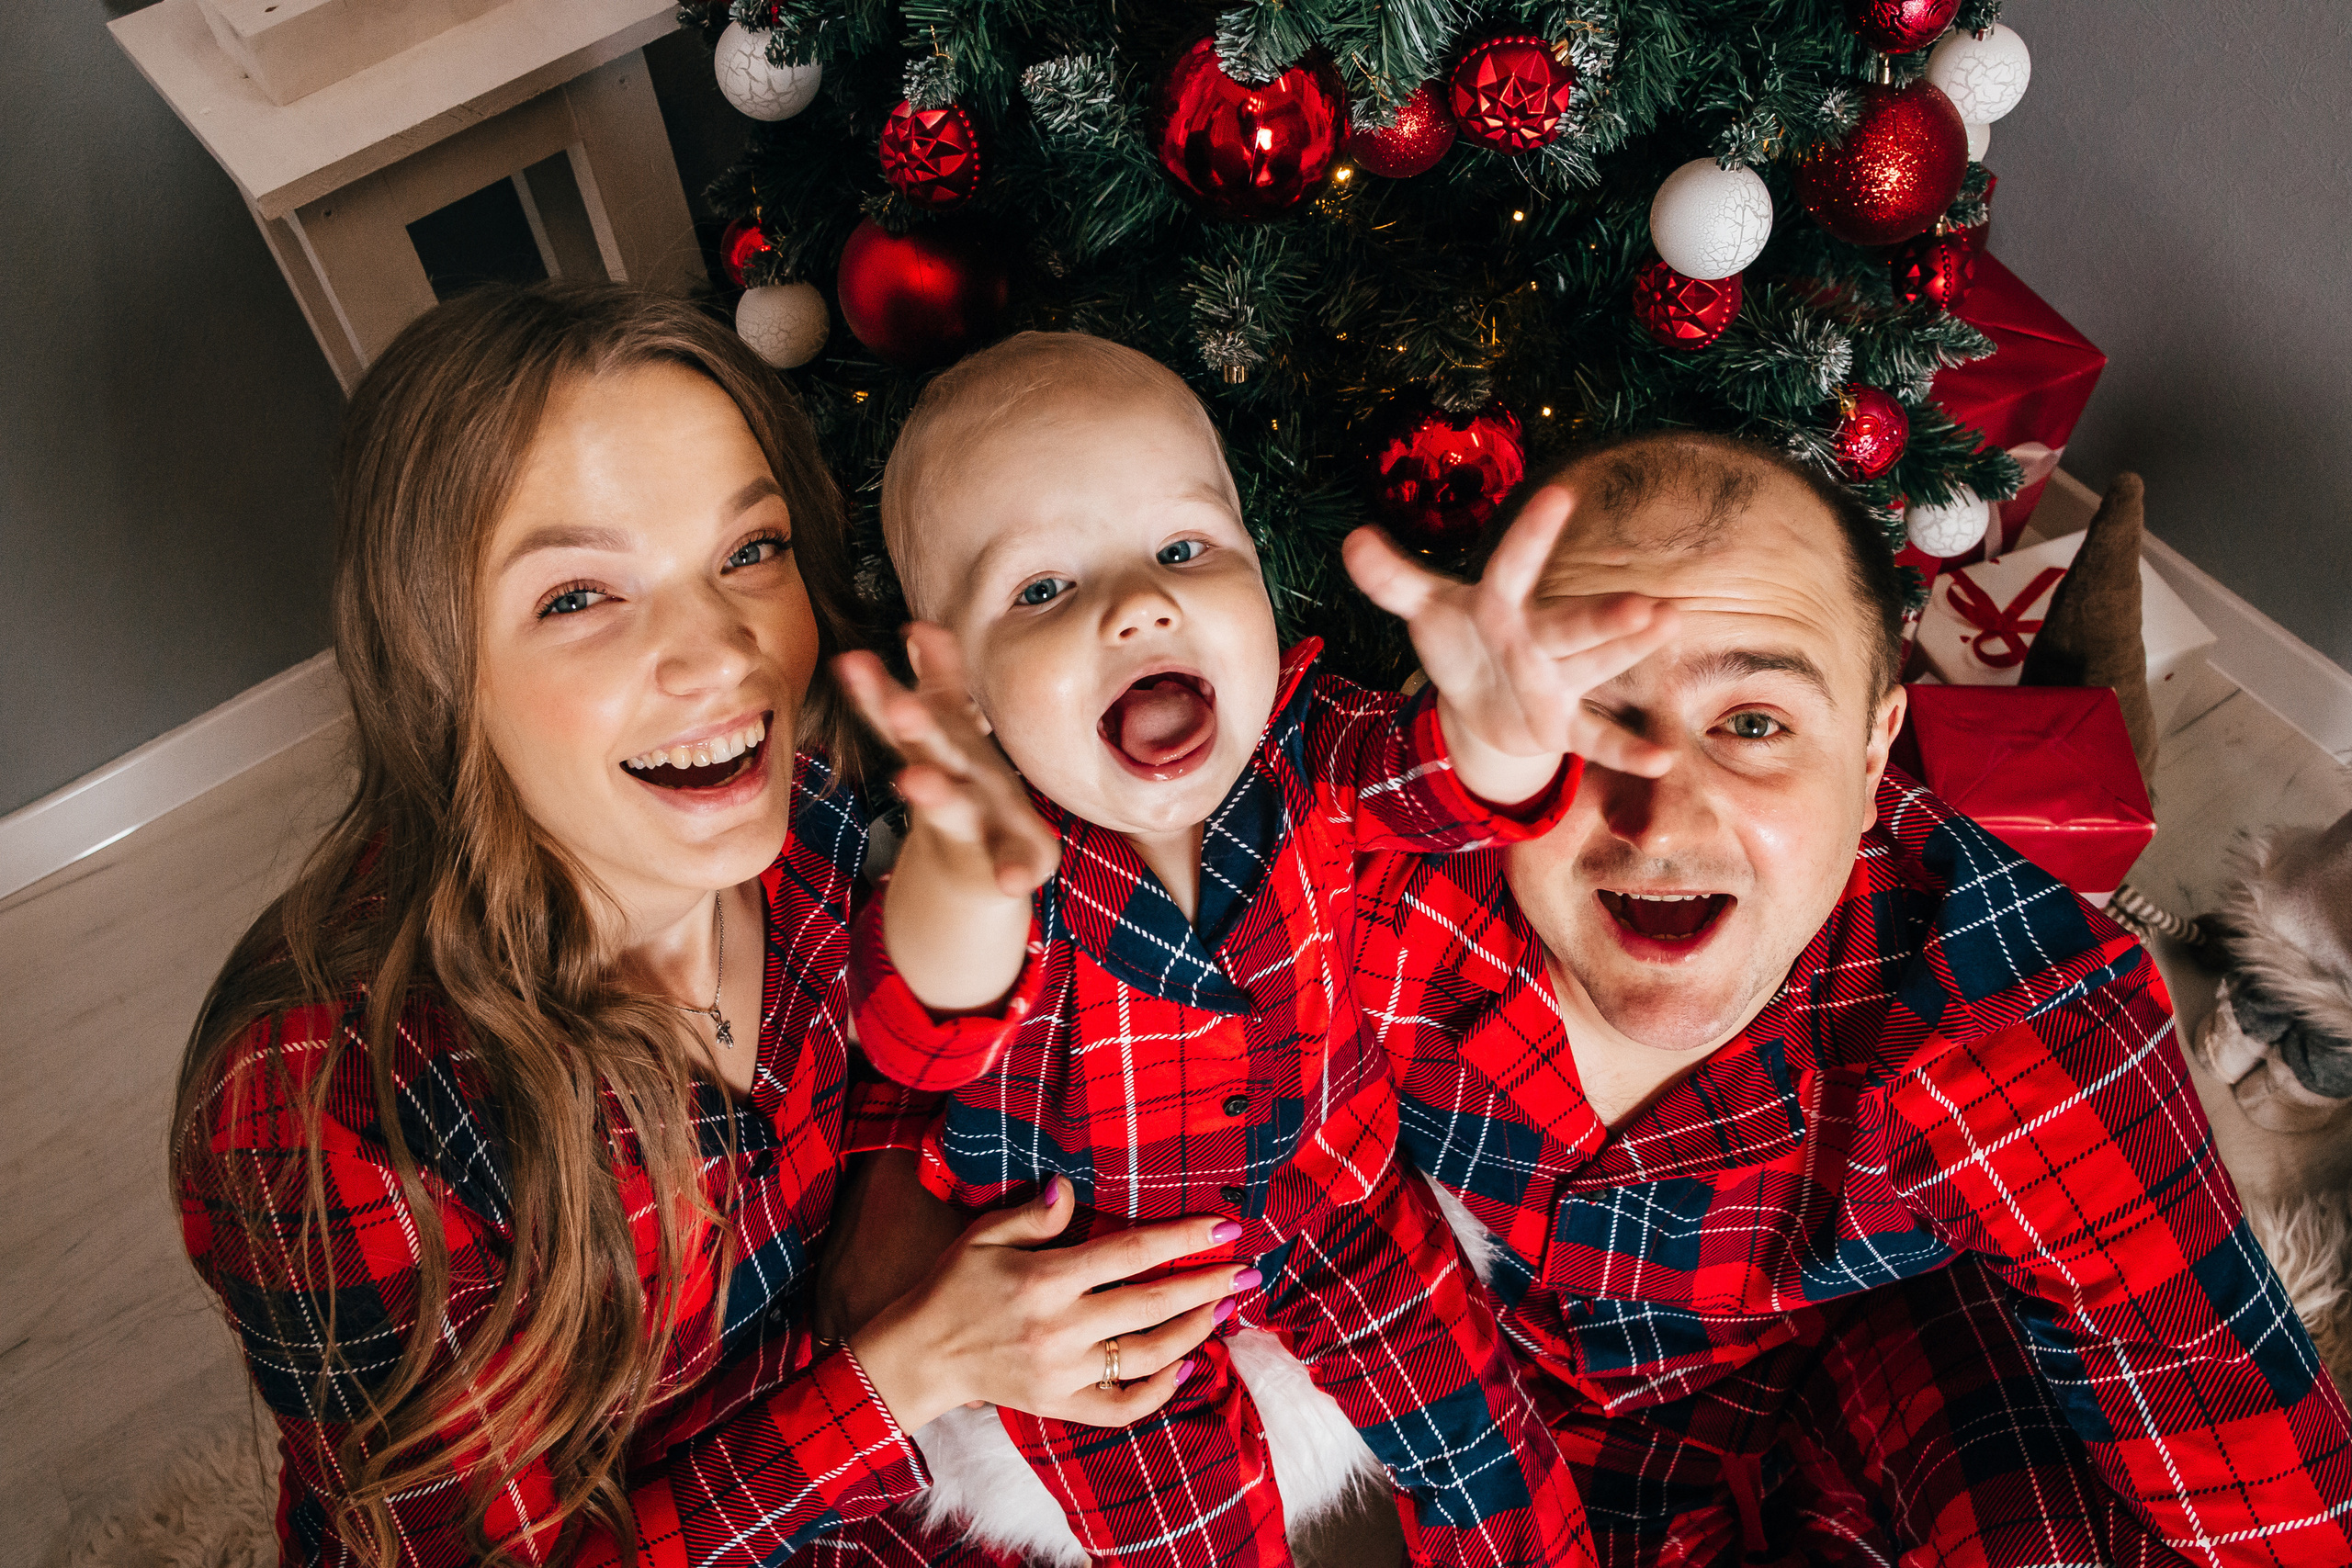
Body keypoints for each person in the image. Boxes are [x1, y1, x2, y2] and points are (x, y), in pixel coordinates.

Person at [170, 286, 1246, 1568]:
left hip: (891, 1481)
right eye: (580, 596)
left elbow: (936, 1047)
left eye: (750, 552)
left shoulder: (843, 785)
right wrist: (900, 1369)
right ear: (437, 660)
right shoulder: (322, 1100)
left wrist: (896, 1202)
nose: (722, 652)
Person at [1359, 429, 2352, 1565]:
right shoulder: (1347, 880)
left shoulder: (2006, 1008)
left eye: (1753, 725)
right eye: (1589, 710)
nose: (1664, 822)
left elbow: (2233, 1422)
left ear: (1876, 752)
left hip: (1851, 1352)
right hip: (1493, 1390)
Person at [831, 332, 1682, 1568]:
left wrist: (1500, 729)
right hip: (1105, 1290)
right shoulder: (994, 851)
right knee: (1190, 1538)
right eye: (1044, 589)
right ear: (957, 686)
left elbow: (1430, 783)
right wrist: (962, 871)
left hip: (1335, 1192)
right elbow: (934, 1008)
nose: (1140, 601)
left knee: (1489, 1445)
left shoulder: (1304, 739)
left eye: (1185, 549)